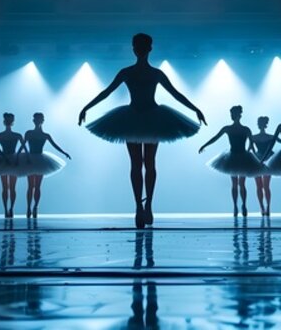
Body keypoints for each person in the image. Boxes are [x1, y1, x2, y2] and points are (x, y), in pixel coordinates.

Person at [78, 33, 206, 228]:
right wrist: (86, 107)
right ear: (146, 49)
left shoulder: (147, 73)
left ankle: (145, 206)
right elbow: (106, 92)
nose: (139, 49)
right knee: (143, 164)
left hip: (146, 117)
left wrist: (195, 108)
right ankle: (141, 206)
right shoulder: (136, 72)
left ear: (139, 49)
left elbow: (176, 94)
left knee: (143, 164)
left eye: (139, 46)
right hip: (138, 118)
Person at [199, 105, 266, 217]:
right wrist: (204, 145)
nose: (231, 116)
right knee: (235, 184)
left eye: (233, 114)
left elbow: (251, 144)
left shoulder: (245, 129)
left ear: (237, 115)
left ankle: (243, 205)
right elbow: (216, 137)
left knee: (241, 184)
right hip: (233, 157)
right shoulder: (228, 128)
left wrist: (255, 157)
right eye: (231, 114)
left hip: (243, 157)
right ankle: (235, 206)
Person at [14, 112, 71, 218]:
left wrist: (64, 152)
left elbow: (54, 145)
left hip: (40, 159)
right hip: (30, 159)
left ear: (42, 121)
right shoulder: (29, 133)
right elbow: (23, 145)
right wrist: (17, 156)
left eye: (39, 119)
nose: (37, 121)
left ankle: (35, 207)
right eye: (36, 119)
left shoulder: (45, 135)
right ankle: (28, 208)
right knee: (30, 186)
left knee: (37, 186)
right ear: (34, 120)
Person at [0, 113, 26, 218]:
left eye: (9, 120)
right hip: (4, 160)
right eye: (7, 120)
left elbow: (23, 147)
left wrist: (17, 156)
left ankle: (11, 208)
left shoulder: (17, 135)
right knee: (5, 187)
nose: (8, 122)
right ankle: (6, 209)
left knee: (11, 187)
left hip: (12, 159)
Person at [249, 116, 277, 216]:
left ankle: (268, 207)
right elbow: (250, 149)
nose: (261, 124)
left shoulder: (271, 136)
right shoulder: (253, 137)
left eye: (262, 122)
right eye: (260, 122)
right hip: (257, 159)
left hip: (267, 160)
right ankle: (262, 207)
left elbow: (271, 147)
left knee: (266, 186)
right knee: (259, 186)